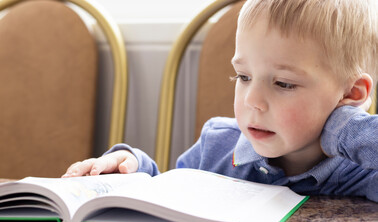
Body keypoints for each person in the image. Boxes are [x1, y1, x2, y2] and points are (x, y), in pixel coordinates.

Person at [63, 0, 378, 202]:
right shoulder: (217, 146)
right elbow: (171, 199)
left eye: (283, 83)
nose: (252, 100)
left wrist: (345, 128)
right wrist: (134, 171)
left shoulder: (363, 172)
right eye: (243, 77)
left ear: (351, 95)